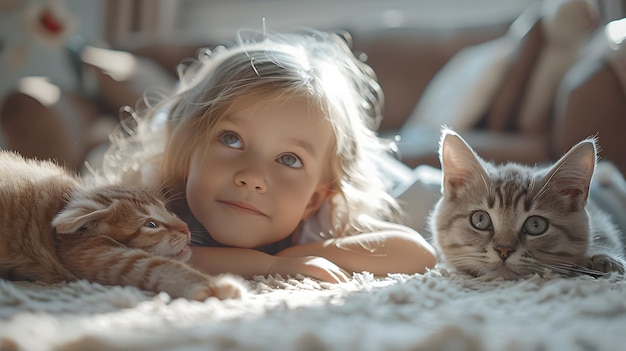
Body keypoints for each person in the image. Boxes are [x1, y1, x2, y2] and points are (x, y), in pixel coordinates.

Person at [96, 28, 436, 283]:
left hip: (398, 184)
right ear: (186, 151)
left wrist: (299, 254)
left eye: (289, 159)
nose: (252, 177)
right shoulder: (155, 205)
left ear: (313, 200)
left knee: (429, 195)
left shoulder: (323, 218)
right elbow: (124, 255)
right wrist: (270, 265)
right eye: (231, 139)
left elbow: (416, 252)